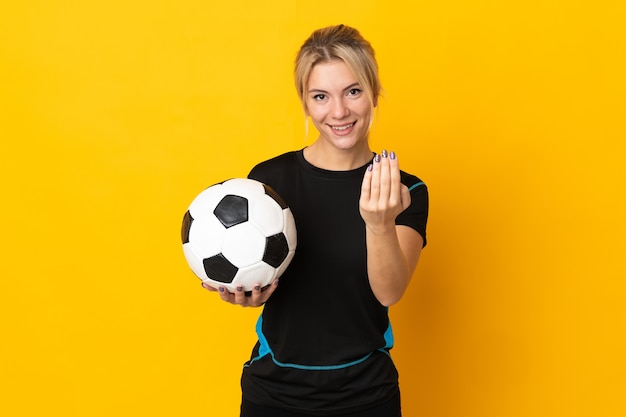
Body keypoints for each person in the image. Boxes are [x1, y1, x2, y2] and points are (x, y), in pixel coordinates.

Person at [202, 24, 428, 417]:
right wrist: (248, 293)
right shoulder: (269, 181)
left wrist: (379, 223)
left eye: (353, 91)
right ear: (305, 104)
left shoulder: (403, 190)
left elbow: (389, 292)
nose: (338, 111)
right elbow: (261, 272)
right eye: (320, 96)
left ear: (374, 93)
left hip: (366, 394)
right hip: (274, 393)